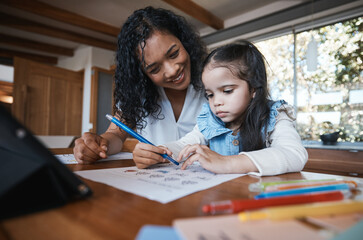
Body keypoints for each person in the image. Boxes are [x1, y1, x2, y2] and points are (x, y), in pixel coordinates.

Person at [73, 7, 207, 166]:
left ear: (184, 42)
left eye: (174, 54)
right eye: (154, 69)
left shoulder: (213, 81)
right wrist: (100, 145)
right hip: (159, 182)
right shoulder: (138, 93)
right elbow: (115, 135)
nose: (172, 71)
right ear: (141, 73)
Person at [160, 41, 308, 176]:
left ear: (253, 88)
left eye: (227, 91)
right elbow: (184, 145)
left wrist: (227, 162)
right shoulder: (210, 120)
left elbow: (294, 154)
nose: (216, 102)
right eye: (210, 94)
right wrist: (160, 151)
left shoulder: (275, 116)